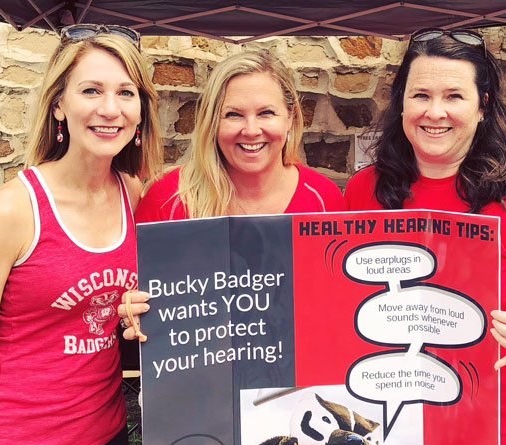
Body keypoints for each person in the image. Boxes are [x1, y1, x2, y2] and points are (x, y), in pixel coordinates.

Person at [343, 28, 506, 445]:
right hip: (397, 438)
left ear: (483, 106)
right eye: (420, 95)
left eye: (454, 95)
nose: (434, 112)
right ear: (402, 104)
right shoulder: (364, 190)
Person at [0, 24, 162, 445]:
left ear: (140, 111)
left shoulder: (135, 195)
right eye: (91, 90)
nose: (109, 109)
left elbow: (117, 318)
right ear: (59, 103)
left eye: (126, 92)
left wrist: (133, 317)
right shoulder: (10, 211)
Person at [121, 49, 345, 331]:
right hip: (199, 369)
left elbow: (337, 304)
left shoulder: (323, 197)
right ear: (213, 122)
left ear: (290, 117)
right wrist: (132, 311)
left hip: (300, 370)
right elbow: (131, 295)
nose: (251, 130)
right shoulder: (169, 198)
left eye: (266, 113)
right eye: (233, 115)